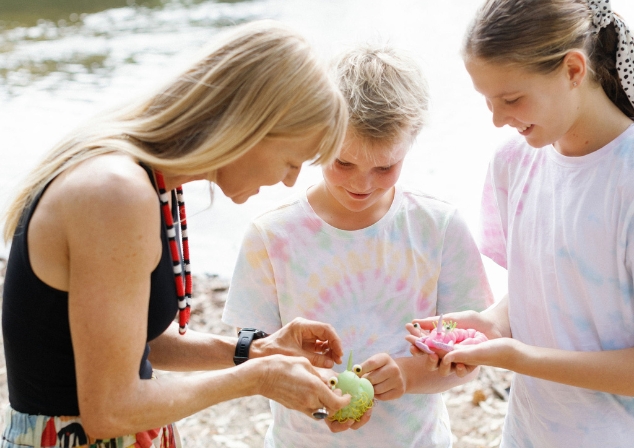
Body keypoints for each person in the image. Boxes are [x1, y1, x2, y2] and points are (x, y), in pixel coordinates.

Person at [0, 20, 354, 448]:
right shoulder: (116, 192)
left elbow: (133, 343)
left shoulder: (146, 181)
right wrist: (256, 378)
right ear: (251, 127)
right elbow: (110, 408)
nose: (291, 182)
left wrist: (251, 351)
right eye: (292, 160)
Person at [222, 44, 494, 448]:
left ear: (409, 144)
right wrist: (313, 391)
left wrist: (408, 374)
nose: (361, 184)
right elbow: (252, 359)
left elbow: (474, 359)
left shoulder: (438, 227)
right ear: (319, 137)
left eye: (384, 167)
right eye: (343, 163)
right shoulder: (271, 236)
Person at [407, 0, 634, 446]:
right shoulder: (514, 163)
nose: (496, 120)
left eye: (511, 99)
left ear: (573, 70)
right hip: (527, 433)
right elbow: (548, 287)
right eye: (488, 101)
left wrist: (518, 357)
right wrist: (490, 325)